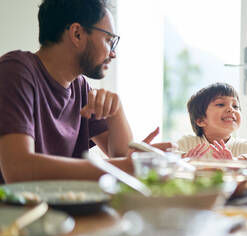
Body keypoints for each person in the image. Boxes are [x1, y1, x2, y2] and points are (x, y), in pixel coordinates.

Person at [0, 0, 170, 184]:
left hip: (65, 209)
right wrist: (126, 167)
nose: (113, 54)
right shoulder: (15, 71)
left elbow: (121, 156)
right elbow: (18, 169)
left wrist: (116, 110)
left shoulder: (80, 88)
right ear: (77, 34)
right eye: (108, 40)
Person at [176, 83, 247, 161]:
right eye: (220, 104)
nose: (231, 109)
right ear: (201, 120)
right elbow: (164, 157)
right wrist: (183, 159)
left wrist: (236, 162)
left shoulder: (245, 146)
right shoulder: (187, 143)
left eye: (235, 106)